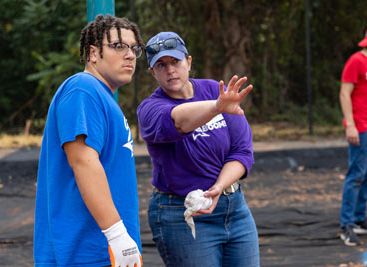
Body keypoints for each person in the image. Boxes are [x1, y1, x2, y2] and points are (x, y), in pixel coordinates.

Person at [137, 31, 260, 267]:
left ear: (189, 62)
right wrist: (216, 107)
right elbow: (179, 121)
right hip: (180, 213)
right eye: (161, 65)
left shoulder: (216, 90)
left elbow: (242, 152)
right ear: (152, 72)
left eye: (175, 61)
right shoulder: (149, 109)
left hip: (235, 209)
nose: (170, 69)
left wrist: (218, 187)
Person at [34, 15, 144, 267]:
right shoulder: (83, 89)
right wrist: (116, 235)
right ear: (93, 53)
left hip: (102, 251)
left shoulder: (102, 96)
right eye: (119, 46)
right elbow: (83, 162)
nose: (130, 55)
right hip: (84, 253)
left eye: (134, 48)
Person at [339, 29, 367, 246]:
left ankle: (359, 219)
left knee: (365, 174)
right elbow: (344, 93)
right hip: (360, 126)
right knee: (356, 173)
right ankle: (346, 225)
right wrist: (350, 125)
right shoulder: (356, 61)